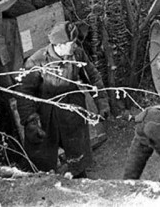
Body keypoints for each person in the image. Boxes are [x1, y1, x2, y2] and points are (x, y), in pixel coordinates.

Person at [16, 21, 110, 178]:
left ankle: (79, 177)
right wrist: (31, 122)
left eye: (74, 43)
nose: (74, 46)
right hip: (47, 113)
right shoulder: (36, 61)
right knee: (42, 162)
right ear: (59, 45)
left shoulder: (77, 54)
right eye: (70, 43)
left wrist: (102, 103)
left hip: (72, 109)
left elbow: (93, 77)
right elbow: (25, 93)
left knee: (77, 154)